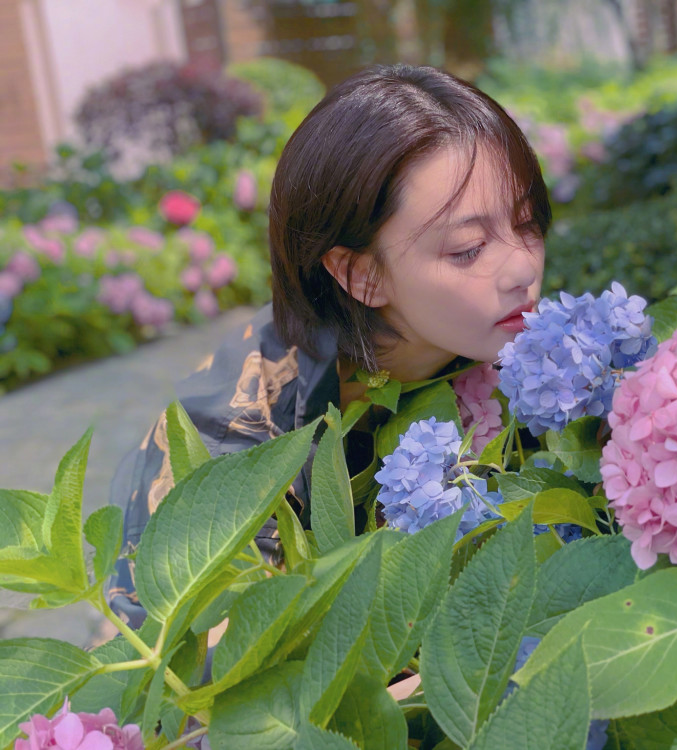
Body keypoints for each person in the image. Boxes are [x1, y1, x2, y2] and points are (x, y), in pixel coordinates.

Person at [106, 63, 552, 627]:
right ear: (359, 274)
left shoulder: (520, 347)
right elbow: (199, 681)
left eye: (528, 222)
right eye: (468, 248)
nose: (521, 267)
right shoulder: (239, 444)